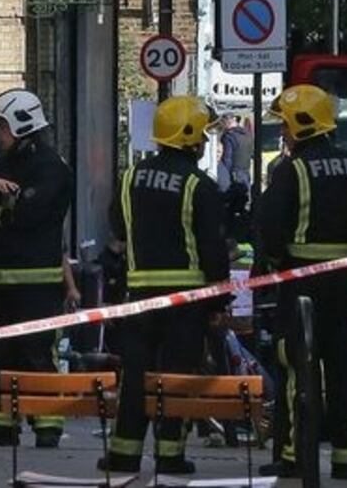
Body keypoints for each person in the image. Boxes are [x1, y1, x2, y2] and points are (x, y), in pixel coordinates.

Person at [99, 96, 231, 474]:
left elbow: (119, 228)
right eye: (202, 135)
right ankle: (170, 454)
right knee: (176, 378)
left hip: (139, 299)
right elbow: (213, 251)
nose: (205, 142)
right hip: (186, 302)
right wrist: (218, 303)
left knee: (136, 376)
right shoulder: (198, 185)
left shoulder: (130, 179)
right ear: (187, 136)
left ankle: (124, 453)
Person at [258, 84, 347, 480]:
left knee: (297, 370)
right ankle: (345, 458)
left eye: (286, 126)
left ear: (302, 125)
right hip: (344, 285)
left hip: (300, 285)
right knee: (344, 370)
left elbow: (270, 224)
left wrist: (273, 261)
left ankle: (294, 456)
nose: (284, 134)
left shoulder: (293, 169)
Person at [0, 89, 73, 449]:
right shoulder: (3, 166)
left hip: (36, 285)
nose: (1, 135)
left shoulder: (51, 169)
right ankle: (1, 424)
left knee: (37, 353)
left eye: (4, 128)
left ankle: (47, 425)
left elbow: (23, 217)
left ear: (23, 126)